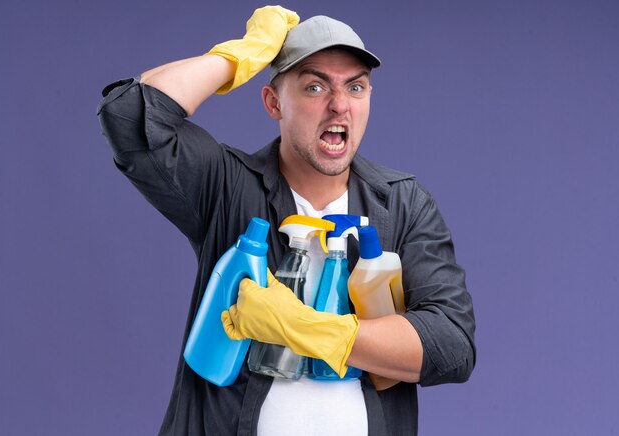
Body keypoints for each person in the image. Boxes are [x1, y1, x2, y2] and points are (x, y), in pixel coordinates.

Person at [97, 6, 476, 436]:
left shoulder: (403, 204)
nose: (339, 106)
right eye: (314, 86)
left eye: (355, 87)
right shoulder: (227, 186)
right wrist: (242, 54)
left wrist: (302, 328)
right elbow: (129, 116)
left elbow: (451, 346)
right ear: (274, 102)